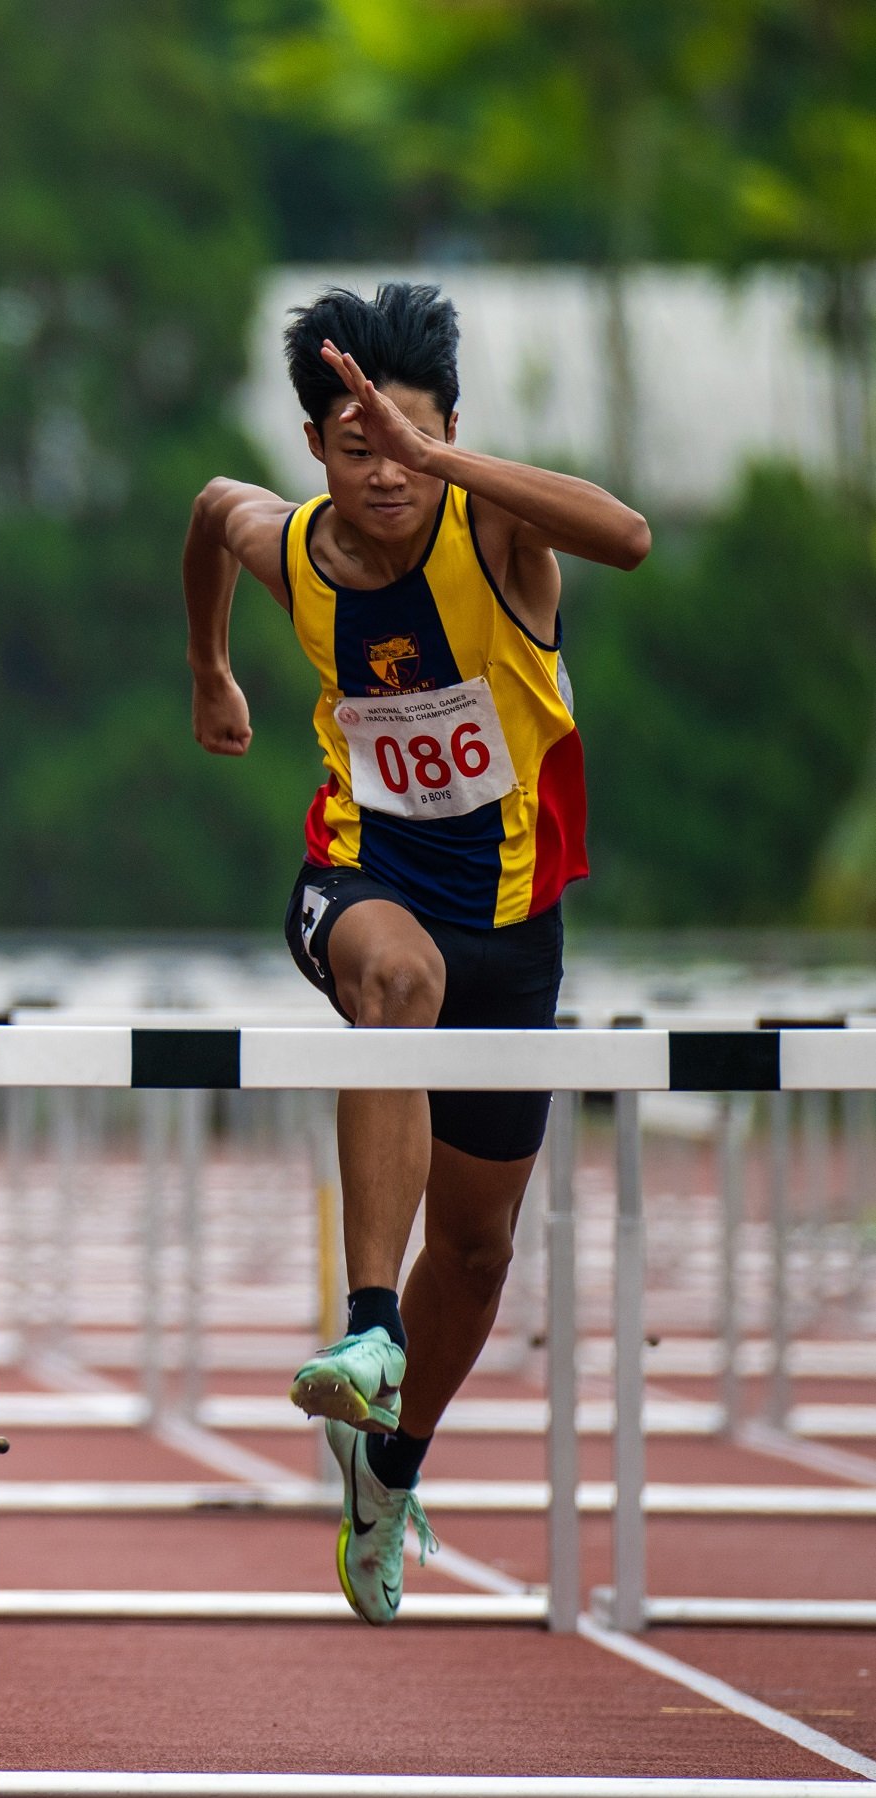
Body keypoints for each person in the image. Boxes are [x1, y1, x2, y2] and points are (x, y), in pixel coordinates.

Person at [180, 283, 650, 1623]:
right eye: (352, 443)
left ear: (446, 432)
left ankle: (388, 1465)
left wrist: (443, 460)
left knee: (486, 1246)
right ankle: (366, 1321)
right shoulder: (297, 546)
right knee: (397, 984)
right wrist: (211, 667)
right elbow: (214, 512)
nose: (382, 470)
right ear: (317, 450)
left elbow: (627, 534)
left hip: (515, 918)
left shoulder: (491, 525)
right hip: (362, 877)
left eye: (405, 438)